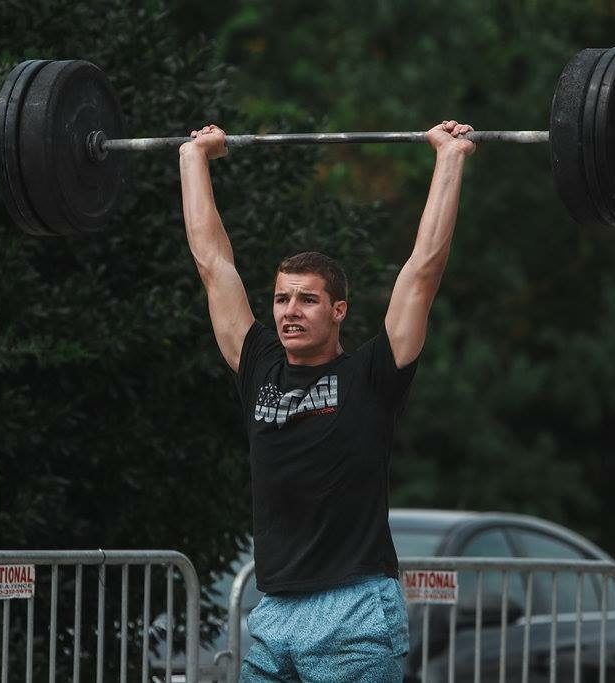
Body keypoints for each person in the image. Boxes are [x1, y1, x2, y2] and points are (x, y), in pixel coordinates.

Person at [179, 120, 475, 682]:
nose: (290, 311)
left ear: (339, 310)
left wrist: (450, 157)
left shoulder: (373, 374)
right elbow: (213, 265)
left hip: (356, 613)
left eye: (308, 300)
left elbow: (423, 271)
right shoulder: (258, 366)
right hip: (273, 616)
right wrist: (194, 157)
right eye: (282, 299)